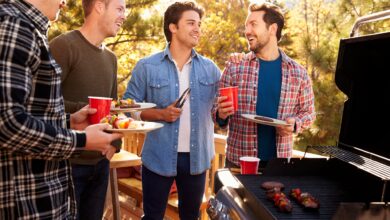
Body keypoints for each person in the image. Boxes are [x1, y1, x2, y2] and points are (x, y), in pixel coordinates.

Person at [0, 0, 122, 219]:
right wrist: (81, 140)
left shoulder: (29, 29)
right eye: (120, 8)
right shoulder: (14, 25)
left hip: (53, 186)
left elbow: (32, 111)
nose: (64, 2)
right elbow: (7, 123)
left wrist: (69, 121)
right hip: (27, 199)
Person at [123, 1, 220, 219]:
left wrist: (223, 112)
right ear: (173, 27)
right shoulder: (147, 66)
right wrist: (160, 114)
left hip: (197, 159)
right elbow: (128, 107)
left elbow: (219, 114)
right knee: (153, 216)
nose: (197, 28)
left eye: (199, 24)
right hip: (158, 155)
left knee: (190, 217)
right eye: (191, 23)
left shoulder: (211, 69)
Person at [215, 2, 316, 169]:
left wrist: (295, 123)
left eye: (253, 24)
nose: (247, 31)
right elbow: (216, 111)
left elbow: (309, 113)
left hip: (278, 166)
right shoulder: (234, 67)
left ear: (272, 29)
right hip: (238, 163)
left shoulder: (298, 73)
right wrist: (221, 113)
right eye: (246, 25)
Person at [49, 0, 126, 218]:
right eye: (119, 9)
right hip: (67, 165)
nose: (124, 16)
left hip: (100, 164)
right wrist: (86, 109)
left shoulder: (111, 58)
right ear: (99, 6)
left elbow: (113, 106)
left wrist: (116, 145)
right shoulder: (64, 45)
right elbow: (42, 103)